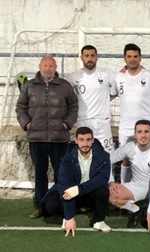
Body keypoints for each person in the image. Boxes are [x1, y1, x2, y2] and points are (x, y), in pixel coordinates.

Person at [16, 55, 79, 218]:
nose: (47, 69)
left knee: (61, 174)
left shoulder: (64, 86)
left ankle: (61, 205)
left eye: (51, 66)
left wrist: (66, 124)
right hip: (36, 139)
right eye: (45, 66)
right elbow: (21, 107)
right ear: (40, 66)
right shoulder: (29, 86)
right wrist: (27, 124)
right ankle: (41, 207)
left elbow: (74, 106)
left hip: (60, 139)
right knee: (40, 174)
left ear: (55, 68)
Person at [41, 127, 111, 236]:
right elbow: (65, 187)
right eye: (81, 140)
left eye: (88, 140)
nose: (85, 143)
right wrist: (69, 217)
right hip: (71, 192)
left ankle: (99, 221)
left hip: (88, 192)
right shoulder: (67, 158)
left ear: (93, 140)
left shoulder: (103, 156)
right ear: (76, 141)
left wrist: (79, 189)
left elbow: (102, 179)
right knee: (52, 205)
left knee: (103, 190)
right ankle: (70, 213)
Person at [108, 120, 150, 232]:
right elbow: (106, 162)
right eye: (139, 132)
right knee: (111, 196)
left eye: (146, 131)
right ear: (135, 134)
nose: (143, 135)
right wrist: (111, 182)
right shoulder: (129, 147)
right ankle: (136, 209)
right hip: (137, 186)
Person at [66, 45, 117, 154]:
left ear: (97, 57)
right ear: (81, 57)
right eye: (87, 56)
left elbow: (117, 90)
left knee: (107, 156)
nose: (90, 58)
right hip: (83, 122)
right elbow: (68, 99)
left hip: (102, 123)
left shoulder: (107, 74)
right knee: (84, 157)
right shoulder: (72, 77)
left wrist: (104, 100)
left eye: (92, 55)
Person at [114, 43, 150, 146]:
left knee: (149, 158)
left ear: (140, 58)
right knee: (125, 158)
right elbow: (111, 95)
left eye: (135, 56)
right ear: (124, 59)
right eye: (129, 56)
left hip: (147, 127)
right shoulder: (118, 77)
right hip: (125, 127)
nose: (132, 59)